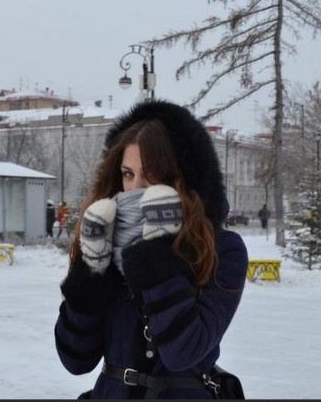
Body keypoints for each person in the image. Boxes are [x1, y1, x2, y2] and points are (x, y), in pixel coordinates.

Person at [54, 99, 249, 399]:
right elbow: (75, 359)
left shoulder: (222, 249)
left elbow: (184, 351)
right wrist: (90, 271)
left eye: (151, 174)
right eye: (128, 174)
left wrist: (156, 258)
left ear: (182, 177)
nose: (135, 189)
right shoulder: (107, 239)